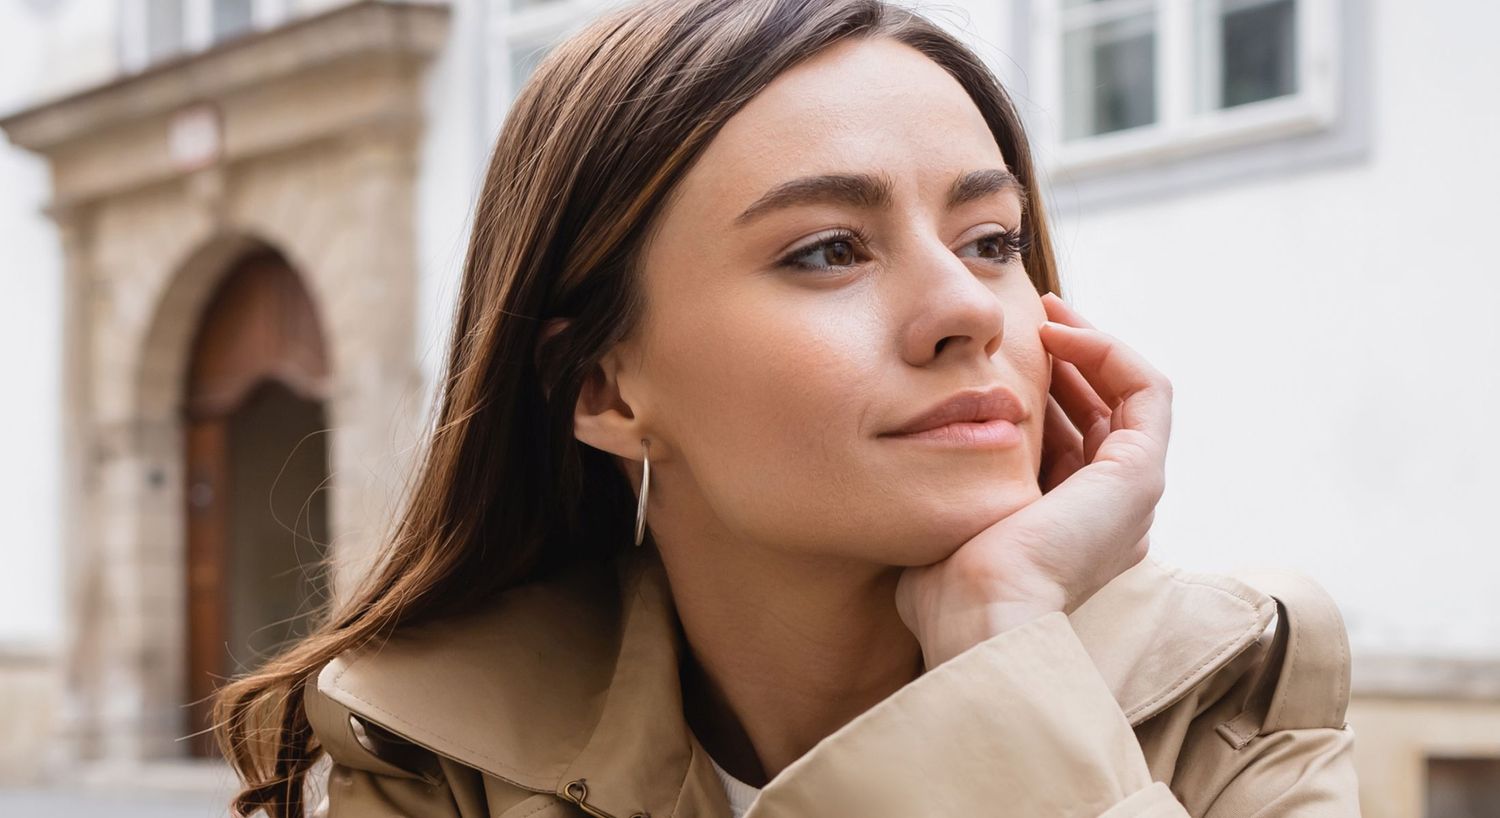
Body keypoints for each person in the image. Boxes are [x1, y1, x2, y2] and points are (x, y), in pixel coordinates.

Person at [212, 0, 1362, 815]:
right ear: (605, 386)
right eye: (827, 250)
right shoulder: (436, 748)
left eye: (993, 239)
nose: (967, 308)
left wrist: (1003, 645)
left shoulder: (1231, 702)